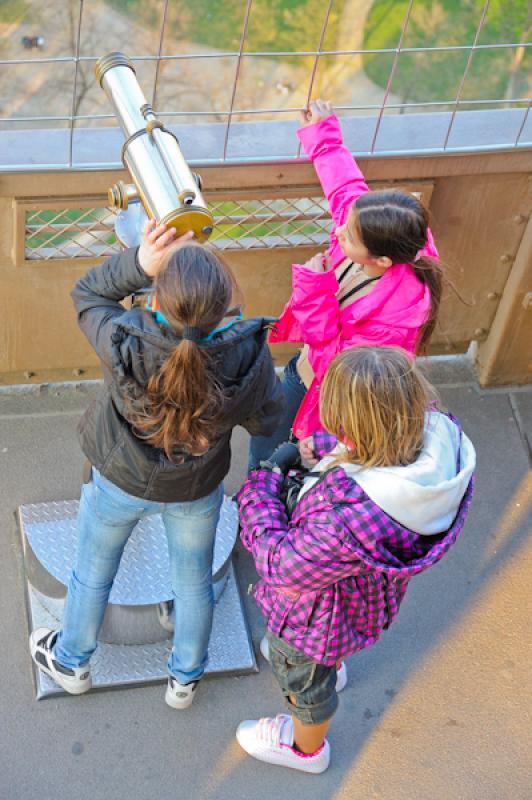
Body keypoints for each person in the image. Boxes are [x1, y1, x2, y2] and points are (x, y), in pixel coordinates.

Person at [30, 221, 284, 708]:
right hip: (196, 490)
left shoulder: (126, 340)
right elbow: (266, 418)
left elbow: (87, 294)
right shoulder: (248, 357)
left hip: (119, 480)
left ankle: (73, 661)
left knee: (92, 572)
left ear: (157, 300)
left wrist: (139, 262)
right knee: (192, 581)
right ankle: (185, 679)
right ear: (224, 306)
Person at [236, 346, 475, 773]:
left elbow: (279, 563)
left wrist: (264, 480)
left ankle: (305, 748)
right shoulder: (429, 445)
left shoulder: (347, 518)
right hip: (359, 600)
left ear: (358, 425)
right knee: (330, 650)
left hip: (311, 621)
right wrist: (328, 449)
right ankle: (334, 663)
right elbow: (375, 441)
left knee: (305, 687)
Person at [249, 99, 442, 468]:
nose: (338, 232)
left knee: (271, 454)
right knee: (270, 440)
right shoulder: (386, 233)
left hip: (324, 391)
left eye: (349, 237)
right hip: (307, 371)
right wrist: (323, 134)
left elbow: (337, 364)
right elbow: (345, 189)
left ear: (381, 260)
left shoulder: (397, 317)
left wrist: (314, 292)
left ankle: (262, 501)